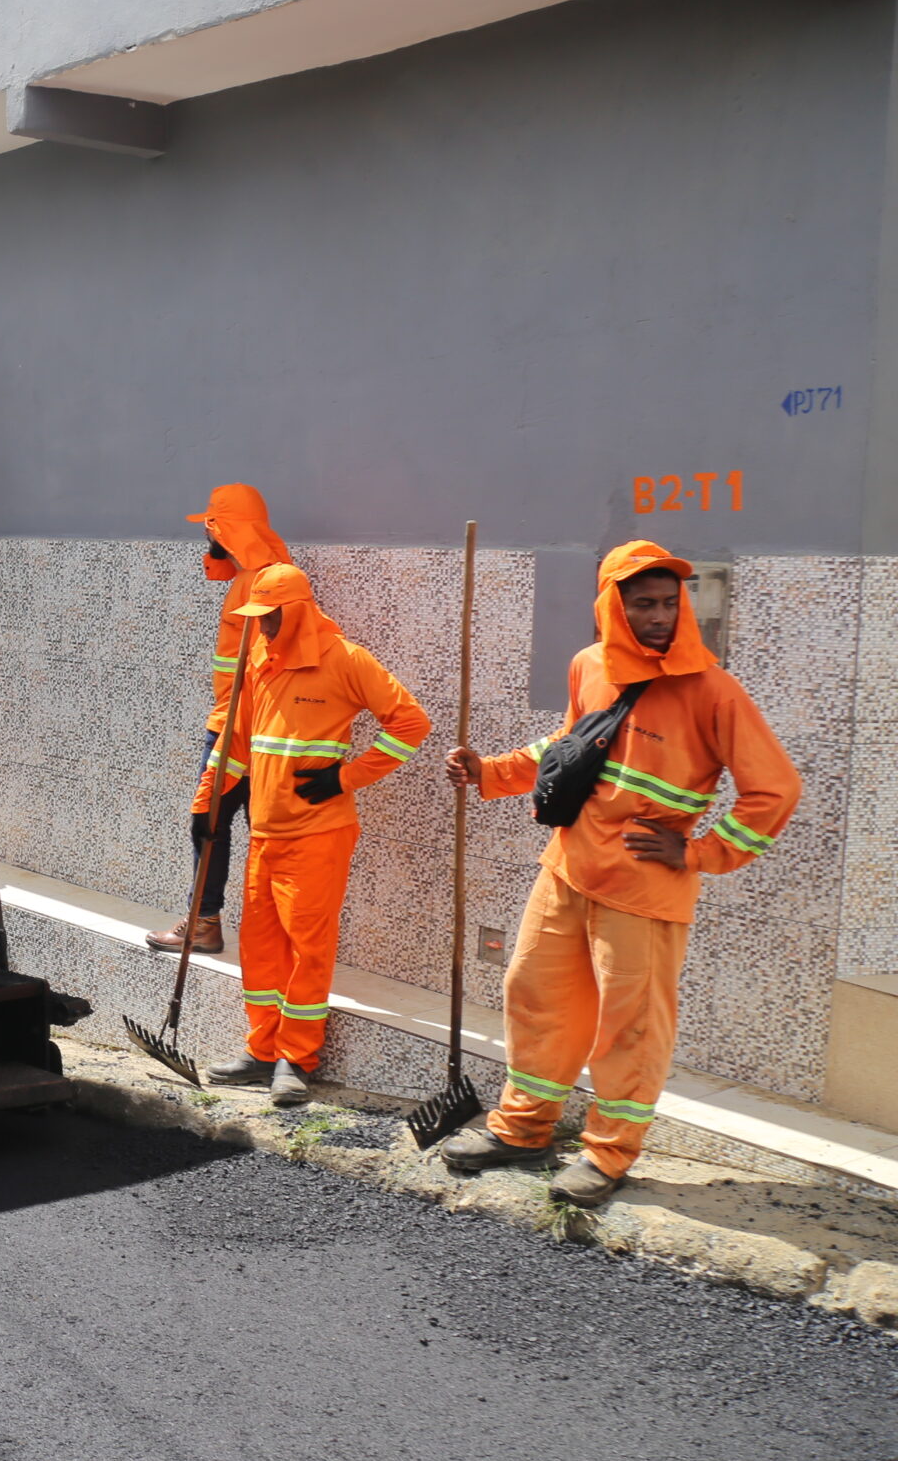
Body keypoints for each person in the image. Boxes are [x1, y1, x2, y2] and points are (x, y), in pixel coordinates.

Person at [437, 541, 801, 1208]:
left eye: (670, 602)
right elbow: (568, 748)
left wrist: (698, 853)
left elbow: (774, 790)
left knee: (630, 1028)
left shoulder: (712, 689)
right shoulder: (590, 666)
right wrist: (489, 772)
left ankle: (607, 1156)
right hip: (568, 868)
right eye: (644, 604)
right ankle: (522, 1130)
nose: (661, 616)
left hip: (644, 890)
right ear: (612, 605)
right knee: (534, 994)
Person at [193, 563, 429, 1106]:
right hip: (265, 832)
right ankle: (261, 1050)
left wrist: (346, 777)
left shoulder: (345, 659)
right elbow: (240, 739)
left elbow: (411, 724)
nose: (264, 627)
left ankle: (295, 1061)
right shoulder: (259, 658)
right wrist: (208, 801)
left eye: (272, 617)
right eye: (259, 618)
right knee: (260, 947)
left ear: (296, 612)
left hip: (319, 834)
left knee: (307, 951)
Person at [154, 482, 293, 954]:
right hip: (236, 724)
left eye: (210, 528)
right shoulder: (252, 574)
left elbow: (267, 665)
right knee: (224, 823)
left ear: (226, 529)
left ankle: (206, 923)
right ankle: (213, 922)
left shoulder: (267, 580)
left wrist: (237, 736)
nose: (205, 539)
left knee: (209, 820)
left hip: (240, 729)